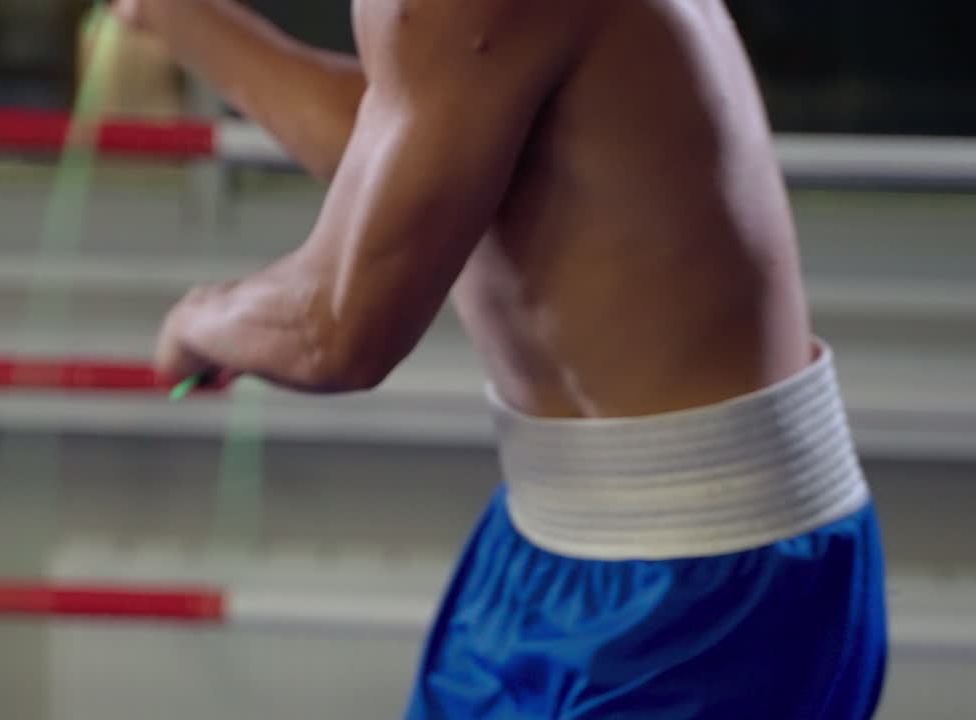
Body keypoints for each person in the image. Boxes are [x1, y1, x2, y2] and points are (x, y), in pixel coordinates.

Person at [115, 0, 888, 717]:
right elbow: (417, 134)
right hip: (562, 538)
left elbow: (336, 334)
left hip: (704, 580)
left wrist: (198, 320)